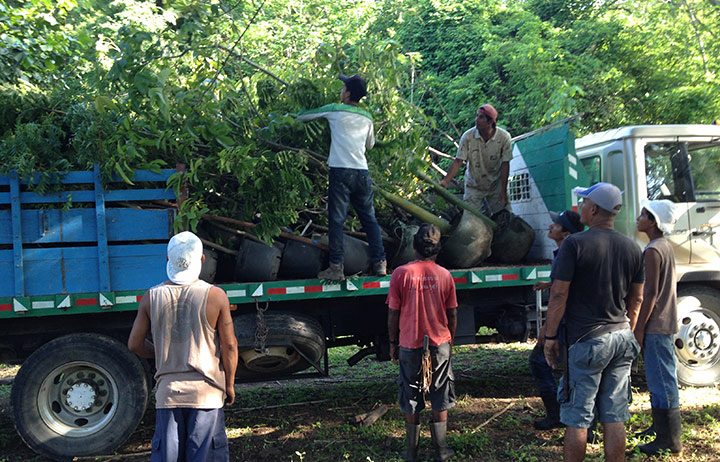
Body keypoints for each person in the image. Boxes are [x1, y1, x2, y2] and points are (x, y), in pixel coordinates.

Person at [543, 182, 644, 462]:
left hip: (587, 340)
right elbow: (636, 300)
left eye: (584, 202)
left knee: (578, 417)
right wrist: (629, 332)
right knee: (614, 416)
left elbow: (559, 293)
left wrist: (550, 337)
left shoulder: (575, 244)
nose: (580, 208)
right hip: (622, 335)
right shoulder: (632, 247)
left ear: (595, 209)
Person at [128, 231, 238, 462]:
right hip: (206, 395)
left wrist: (160, 354)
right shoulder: (216, 296)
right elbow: (229, 346)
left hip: (168, 395)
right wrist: (229, 385)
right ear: (202, 260)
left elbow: (134, 343)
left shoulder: (151, 297)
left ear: (168, 260)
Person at [297, 74, 387, 280]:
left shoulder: (335, 110)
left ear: (347, 93)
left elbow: (303, 116)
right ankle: (380, 263)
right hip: (362, 172)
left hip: (340, 171)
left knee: (336, 220)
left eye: (343, 87)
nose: (341, 91)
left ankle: (336, 267)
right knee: (369, 219)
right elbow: (370, 145)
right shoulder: (367, 117)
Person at [387, 224, 458, 462]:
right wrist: (451, 341)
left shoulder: (400, 274)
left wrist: (393, 342)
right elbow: (453, 314)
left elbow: (393, 313)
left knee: (410, 394)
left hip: (409, 343)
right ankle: (441, 449)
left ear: (414, 246)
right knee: (440, 393)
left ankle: (411, 451)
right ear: (438, 250)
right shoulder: (445, 275)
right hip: (440, 343)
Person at [633, 200, 683, 455]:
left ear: (653, 222)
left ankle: (670, 440)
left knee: (662, 379)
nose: (638, 217)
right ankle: (659, 428)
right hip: (665, 321)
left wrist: (639, 327)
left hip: (656, 324)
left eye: (643, 214)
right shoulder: (664, 246)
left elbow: (649, 292)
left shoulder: (652, 250)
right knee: (661, 377)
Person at [530, 210, 583, 431]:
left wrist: (546, 329)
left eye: (557, 225)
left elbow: (562, 294)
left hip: (563, 322)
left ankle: (557, 415)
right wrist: (549, 284)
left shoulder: (565, 253)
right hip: (569, 322)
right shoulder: (566, 251)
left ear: (566, 233)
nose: (551, 226)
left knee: (540, 362)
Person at [439, 104, 512, 216]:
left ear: (490, 122)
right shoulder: (468, 137)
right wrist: (445, 181)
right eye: (476, 116)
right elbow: (458, 161)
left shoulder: (504, 137)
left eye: (481, 117)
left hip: (496, 185)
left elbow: (505, 165)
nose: (476, 119)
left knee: (505, 216)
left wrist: (503, 191)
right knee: (470, 221)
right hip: (474, 185)